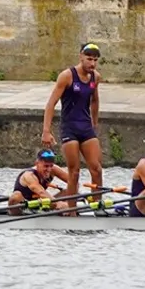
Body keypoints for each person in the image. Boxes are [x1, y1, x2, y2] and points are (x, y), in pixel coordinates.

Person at [42, 43, 104, 210]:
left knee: (97, 169)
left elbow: (95, 100)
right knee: (74, 171)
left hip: (86, 127)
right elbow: (51, 104)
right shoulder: (67, 76)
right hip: (69, 128)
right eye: (89, 59)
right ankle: (72, 210)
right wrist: (46, 131)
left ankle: (97, 206)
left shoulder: (95, 77)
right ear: (80, 57)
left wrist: (95, 123)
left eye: (95, 60)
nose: (92, 63)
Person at [6, 149, 72, 215]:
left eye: (51, 165)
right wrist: (58, 203)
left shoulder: (54, 169)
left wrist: (71, 200)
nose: (49, 169)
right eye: (46, 166)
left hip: (40, 203)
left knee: (69, 191)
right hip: (23, 204)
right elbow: (41, 192)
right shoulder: (29, 175)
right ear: (37, 163)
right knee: (16, 196)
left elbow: (74, 182)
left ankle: (64, 208)